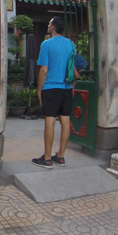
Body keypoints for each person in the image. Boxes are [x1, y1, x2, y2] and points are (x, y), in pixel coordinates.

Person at [32, 17, 75, 169]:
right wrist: (72, 88)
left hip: (51, 88)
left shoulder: (46, 44)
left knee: (50, 120)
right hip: (67, 88)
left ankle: (48, 158)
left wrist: (39, 89)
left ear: (53, 27)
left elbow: (44, 70)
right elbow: (73, 68)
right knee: (65, 121)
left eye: (49, 23)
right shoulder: (71, 44)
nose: (48, 25)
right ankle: (61, 156)